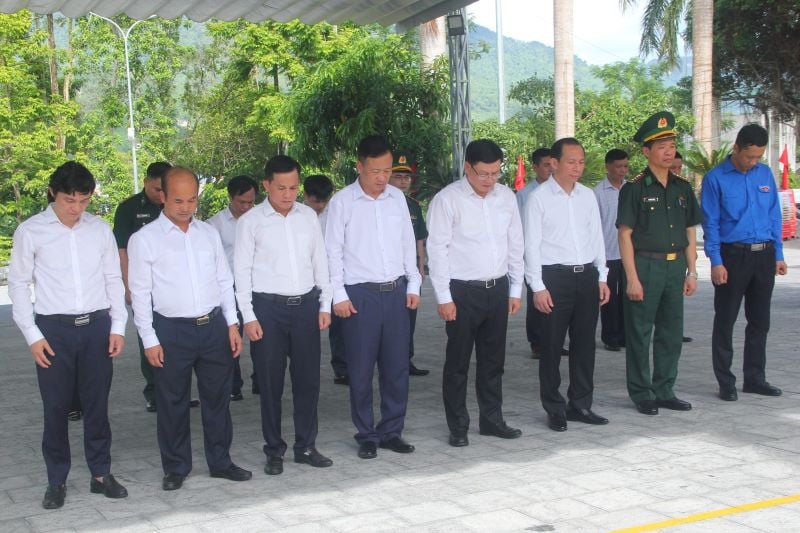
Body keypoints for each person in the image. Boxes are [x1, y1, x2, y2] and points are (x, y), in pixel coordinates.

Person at [9, 161, 128, 509]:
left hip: (96, 327)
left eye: (84, 201)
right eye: (69, 201)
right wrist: (32, 334)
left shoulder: (99, 230)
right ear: (52, 193)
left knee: (97, 406)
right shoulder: (31, 231)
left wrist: (118, 326)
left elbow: (112, 279)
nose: (76, 209)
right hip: (53, 330)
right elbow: (18, 283)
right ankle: (56, 479)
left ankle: (101, 474)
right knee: (56, 407)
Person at [128, 166, 251, 491]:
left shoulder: (207, 233)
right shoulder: (144, 240)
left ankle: (221, 461)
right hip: (170, 331)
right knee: (172, 401)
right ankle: (176, 467)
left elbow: (224, 281)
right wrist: (149, 339)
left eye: (192, 200)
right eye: (178, 200)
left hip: (212, 327)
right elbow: (140, 294)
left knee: (218, 399)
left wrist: (232, 324)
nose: (186, 207)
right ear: (162, 197)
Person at [235, 155, 334, 475]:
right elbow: (242, 272)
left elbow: (321, 262)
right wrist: (248, 316)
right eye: (281, 188)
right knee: (270, 382)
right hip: (267, 310)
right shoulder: (250, 222)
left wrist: (324, 304)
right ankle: (274, 449)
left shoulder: (308, 217)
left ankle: (306, 445)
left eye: (293, 187)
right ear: (266, 185)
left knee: (307, 381)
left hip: (305, 307)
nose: (288, 194)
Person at [325, 135, 421, 459]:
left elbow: (409, 244)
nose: (382, 177)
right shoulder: (342, 202)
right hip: (358, 295)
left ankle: (392, 430)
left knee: (396, 367)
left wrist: (414, 284)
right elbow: (332, 252)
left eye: (387, 170)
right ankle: (366, 433)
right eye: (375, 170)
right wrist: (337, 294)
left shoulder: (397, 199)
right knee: (361, 369)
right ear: (359, 167)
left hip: (395, 292)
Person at [427, 139, 524, 447]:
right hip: (461, 291)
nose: (489, 181)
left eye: (495, 174)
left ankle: (492, 419)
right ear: (467, 167)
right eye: (483, 173)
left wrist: (516, 287)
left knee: (493, 361)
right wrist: (443, 297)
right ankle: (458, 426)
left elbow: (516, 243)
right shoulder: (447, 200)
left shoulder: (506, 197)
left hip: (497, 288)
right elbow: (437, 249)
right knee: (458, 363)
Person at [617, 111, 702, 416]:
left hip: (675, 265)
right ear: (646, 151)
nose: (669, 151)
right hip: (646, 266)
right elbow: (624, 235)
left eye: (671, 144)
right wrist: (632, 278)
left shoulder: (682, 188)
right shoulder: (635, 189)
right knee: (640, 332)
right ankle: (642, 392)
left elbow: (690, 231)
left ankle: (665, 389)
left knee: (670, 331)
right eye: (662, 146)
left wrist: (692, 271)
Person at [525, 138, 610, 432]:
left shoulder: (587, 196)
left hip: (586, 275)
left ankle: (581, 404)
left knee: (585, 344)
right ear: (555, 163)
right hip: (553, 278)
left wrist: (601, 276)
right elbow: (531, 246)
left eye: (581, 162)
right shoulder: (539, 198)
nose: (577, 167)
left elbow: (596, 237)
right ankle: (554, 406)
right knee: (551, 346)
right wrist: (537, 286)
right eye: (571, 161)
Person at [701, 124, 787, 401]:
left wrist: (778, 254)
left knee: (760, 321)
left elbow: (774, 215)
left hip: (764, 254)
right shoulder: (716, 178)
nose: (753, 162)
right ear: (735, 148)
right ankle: (725, 381)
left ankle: (755, 378)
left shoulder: (764, 174)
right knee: (726, 319)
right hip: (732, 256)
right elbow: (711, 222)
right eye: (749, 156)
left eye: (758, 157)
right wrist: (716, 260)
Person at [113, 161, 171, 413]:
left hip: (170, 285)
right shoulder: (128, 209)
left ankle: (174, 390)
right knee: (149, 337)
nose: (161, 195)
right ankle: (155, 392)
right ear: (146, 181)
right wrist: (128, 286)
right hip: (143, 286)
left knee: (174, 340)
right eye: (157, 189)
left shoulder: (173, 204)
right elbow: (122, 250)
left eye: (164, 190)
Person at [207, 175, 259, 400]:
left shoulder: (260, 220)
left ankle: (262, 381)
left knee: (261, 337)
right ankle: (232, 385)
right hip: (229, 287)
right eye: (242, 202)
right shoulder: (213, 225)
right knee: (231, 337)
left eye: (251, 202)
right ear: (230, 197)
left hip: (258, 285)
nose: (247, 207)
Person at [516, 148, 567, 359]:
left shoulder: (564, 191)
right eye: (545, 165)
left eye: (552, 164)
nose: (550, 169)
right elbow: (520, 228)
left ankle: (555, 342)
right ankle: (537, 342)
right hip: (534, 257)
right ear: (535, 167)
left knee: (558, 303)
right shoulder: (525, 195)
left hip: (558, 258)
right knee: (537, 302)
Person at [304, 174, 348, 385]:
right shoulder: (297, 215)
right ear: (306, 196)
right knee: (308, 329)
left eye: (324, 201)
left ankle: (342, 369)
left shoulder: (336, 213)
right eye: (315, 202)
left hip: (333, 279)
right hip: (306, 283)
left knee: (340, 327)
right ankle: (307, 372)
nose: (320, 206)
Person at [389, 155, 430, 377]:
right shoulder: (382, 203)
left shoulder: (413, 206)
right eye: (399, 177)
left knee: (409, 318)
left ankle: (406, 360)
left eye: (407, 177)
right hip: (389, 271)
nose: (404, 181)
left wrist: (421, 267)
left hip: (410, 271)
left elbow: (420, 239)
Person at [594, 149, 629, 351]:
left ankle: (625, 335)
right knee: (609, 297)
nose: (622, 170)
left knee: (627, 295)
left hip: (627, 253)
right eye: (618, 166)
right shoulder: (597, 192)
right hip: (607, 253)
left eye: (625, 166)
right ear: (607, 166)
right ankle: (610, 337)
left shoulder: (631, 189)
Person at [670, 152, 694, 344]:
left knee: (676, 298)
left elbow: (690, 227)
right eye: (673, 167)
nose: (676, 171)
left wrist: (692, 268)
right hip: (652, 259)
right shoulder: (641, 187)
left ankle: (676, 331)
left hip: (679, 255)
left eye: (679, 167)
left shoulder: (684, 189)